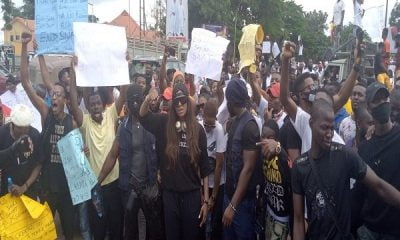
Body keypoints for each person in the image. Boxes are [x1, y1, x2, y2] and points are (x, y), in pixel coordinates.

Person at [292, 99, 400, 240]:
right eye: (324, 127)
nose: (329, 133)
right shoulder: (300, 166)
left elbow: (379, 186)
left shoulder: (344, 155)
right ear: (311, 124)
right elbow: (299, 219)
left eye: (331, 128)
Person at [20, 32, 76, 240]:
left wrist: (84, 149)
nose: (54, 96)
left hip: (68, 189)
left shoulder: (74, 121)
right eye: (52, 94)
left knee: (69, 232)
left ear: (65, 100)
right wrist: (27, 48)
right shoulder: (45, 114)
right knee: (44, 233)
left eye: (58, 94)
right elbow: (25, 82)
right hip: (48, 188)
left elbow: (80, 151)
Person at [139, 83, 211, 240]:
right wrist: (147, 99)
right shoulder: (164, 123)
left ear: (188, 102)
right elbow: (143, 116)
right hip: (170, 194)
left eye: (183, 101)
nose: (179, 105)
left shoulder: (198, 130)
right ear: (172, 104)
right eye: (176, 101)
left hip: (191, 195)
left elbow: (205, 168)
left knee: (191, 236)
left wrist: (206, 201)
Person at [69, 57, 127, 240]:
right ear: (88, 106)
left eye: (97, 103)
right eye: (91, 104)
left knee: (116, 227)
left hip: (114, 183)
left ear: (103, 105)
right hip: (95, 187)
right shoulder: (84, 122)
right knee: (99, 230)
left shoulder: (111, 115)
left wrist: (126, 63)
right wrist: (72, 71)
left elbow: (124, 93)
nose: (95, 106)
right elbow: (72, 102)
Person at [98, 84, 164, 240]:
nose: (135, 105)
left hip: (150, 186)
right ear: (126, 104)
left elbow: (164, 149)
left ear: (142, 100)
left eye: (137, 100)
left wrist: (161, 173)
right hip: (129, 189)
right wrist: (98, 180)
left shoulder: (154, 122)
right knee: (130, 231)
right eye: (131, 101)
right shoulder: (123, 127)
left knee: (153, 230)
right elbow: (113, 156)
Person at [280, 41, 360, 154]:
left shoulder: (342, 149)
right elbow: (285, 99)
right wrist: (285, 61)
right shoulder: (304, 120)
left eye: (314, 85)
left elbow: (342, 96)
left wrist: (356, 67)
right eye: (309, 87)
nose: (313, 89)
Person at [353, 82, 400, 239]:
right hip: (369, 229)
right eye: (376, 100)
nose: (382, 103)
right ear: (369, 107)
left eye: (384, 98)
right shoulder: (365, 148)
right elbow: (360, 192)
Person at [222, 78, 261, 240]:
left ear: (231, 101)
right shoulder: (236, 121)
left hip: (242, 204)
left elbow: (248, 169)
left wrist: (233, 206)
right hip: (229, 196)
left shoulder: (250, 126)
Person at [259, 120, 291, 240]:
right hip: (268, 213)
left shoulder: (282, 157)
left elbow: (292, 171)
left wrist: (279, 148)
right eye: (263, 136)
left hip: (282, 219)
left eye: (270, 137)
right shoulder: (261, 155)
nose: (266, 141)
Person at [0, 104, 41, 199]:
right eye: (19, 128)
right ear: (12, 124)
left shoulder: (34, 135)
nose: (23, 131)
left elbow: (39, 164)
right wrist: (11, 149)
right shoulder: (2, 133)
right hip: (6, 192)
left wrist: (24, 187)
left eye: (26, 128)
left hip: (29, 191)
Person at [200, 98, 227, 240]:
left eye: (211, 124)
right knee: (201, 220)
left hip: (217, 183)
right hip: (201, 182)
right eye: (206, 124)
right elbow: (195, 162)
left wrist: (213, 196)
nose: (208, 127)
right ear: (202, 114)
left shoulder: (219, 129)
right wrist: (202, 194)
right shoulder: (198, 127)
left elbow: (219, 165)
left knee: (216, 223)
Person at [339, 83, 367, 148]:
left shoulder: (371, 123)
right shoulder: (344, 123)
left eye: (360, 95)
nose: (356, 97)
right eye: (354, 94)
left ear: (366, 99)